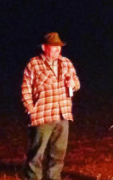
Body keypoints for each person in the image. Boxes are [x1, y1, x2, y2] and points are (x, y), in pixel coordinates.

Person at [21, 32, 80, 180]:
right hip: (43, 114)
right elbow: (25, 88)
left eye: (59, 47)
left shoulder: (66, 62)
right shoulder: (34, 64)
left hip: (63, 113)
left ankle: (54, 177)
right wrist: (30, 109)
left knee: (58, 153)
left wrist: (73, 85)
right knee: (37, 152)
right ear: (44, 47)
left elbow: (76, 83)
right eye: (53, 47)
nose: (57, 50)